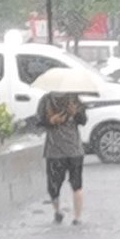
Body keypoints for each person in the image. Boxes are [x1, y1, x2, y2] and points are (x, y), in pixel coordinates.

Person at [37, 89, 88, 224]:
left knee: (76, 184)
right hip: (54, 151)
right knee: (54, 185)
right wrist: (51, 121)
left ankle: (77, 217)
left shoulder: (74, 98)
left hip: (74, 150)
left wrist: (76, 113)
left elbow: (83, 121)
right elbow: (39, 121)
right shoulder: (46, 100)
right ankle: (57, 211)